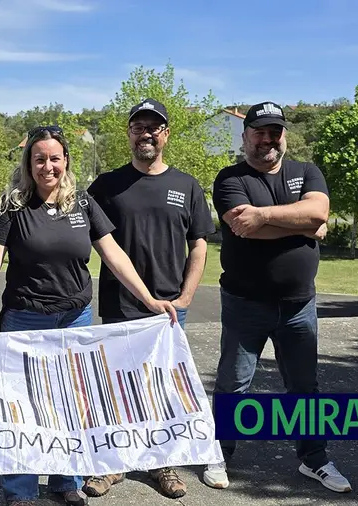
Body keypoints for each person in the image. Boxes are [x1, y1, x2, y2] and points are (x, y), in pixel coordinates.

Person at [0, 125, 180, 506]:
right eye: (39, 159)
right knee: (22, 407)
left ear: (66, 160)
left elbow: (113, 254)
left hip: (75, 321)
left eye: (54, 158)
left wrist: (149, 299)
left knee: (71, 404)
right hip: (25, 321)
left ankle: (66, 482)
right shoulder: (12, 206)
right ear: (28, 163)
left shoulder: (82, 203)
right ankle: (21, 492)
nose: (47, 166)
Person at [207, 101, 351, 493]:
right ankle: (219, 452)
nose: (268, 139)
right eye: (260, 132)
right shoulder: (230, 178)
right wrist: (302, 225)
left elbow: (318, 212)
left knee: (305, 387)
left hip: (298, 305)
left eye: (276, 132)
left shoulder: (307, 171)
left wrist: (266, 216)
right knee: (233, 383)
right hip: (245, 303)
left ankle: (314, 459)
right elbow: (244, 226)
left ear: (284, 135)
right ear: (246, 136)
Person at [82, 98, 216, 499]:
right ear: (129, 134)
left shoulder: (187, 186)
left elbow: (199, 244)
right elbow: (79, 232)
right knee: (116, 385)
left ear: (166, 135)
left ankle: (162, 462)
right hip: (120, 305)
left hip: (170, 309)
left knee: (160, 387)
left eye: (154, 127)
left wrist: (187, 296)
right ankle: (114, 462)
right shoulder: (106, 186)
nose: (146, 134)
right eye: (138, 127)